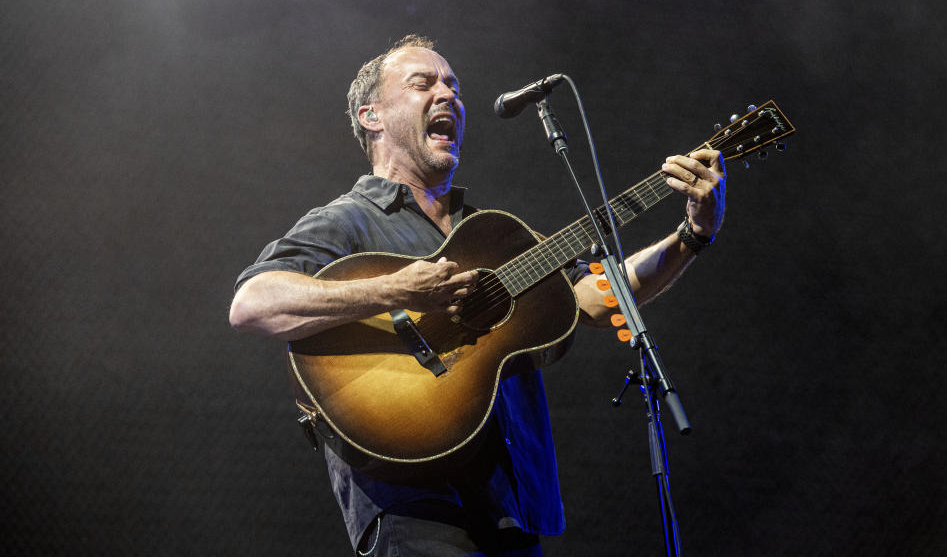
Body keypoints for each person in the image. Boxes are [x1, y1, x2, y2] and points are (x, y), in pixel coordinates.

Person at [229, 35, 726, 556]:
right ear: (371, 116)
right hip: (416, 503)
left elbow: (599, 299)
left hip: (514, 507)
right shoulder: (346, 220)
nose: (447, 95)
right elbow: (253, 303)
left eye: (454, 86)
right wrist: (393, 288)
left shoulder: (493, 235)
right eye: (423, 83)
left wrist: (693, 236)